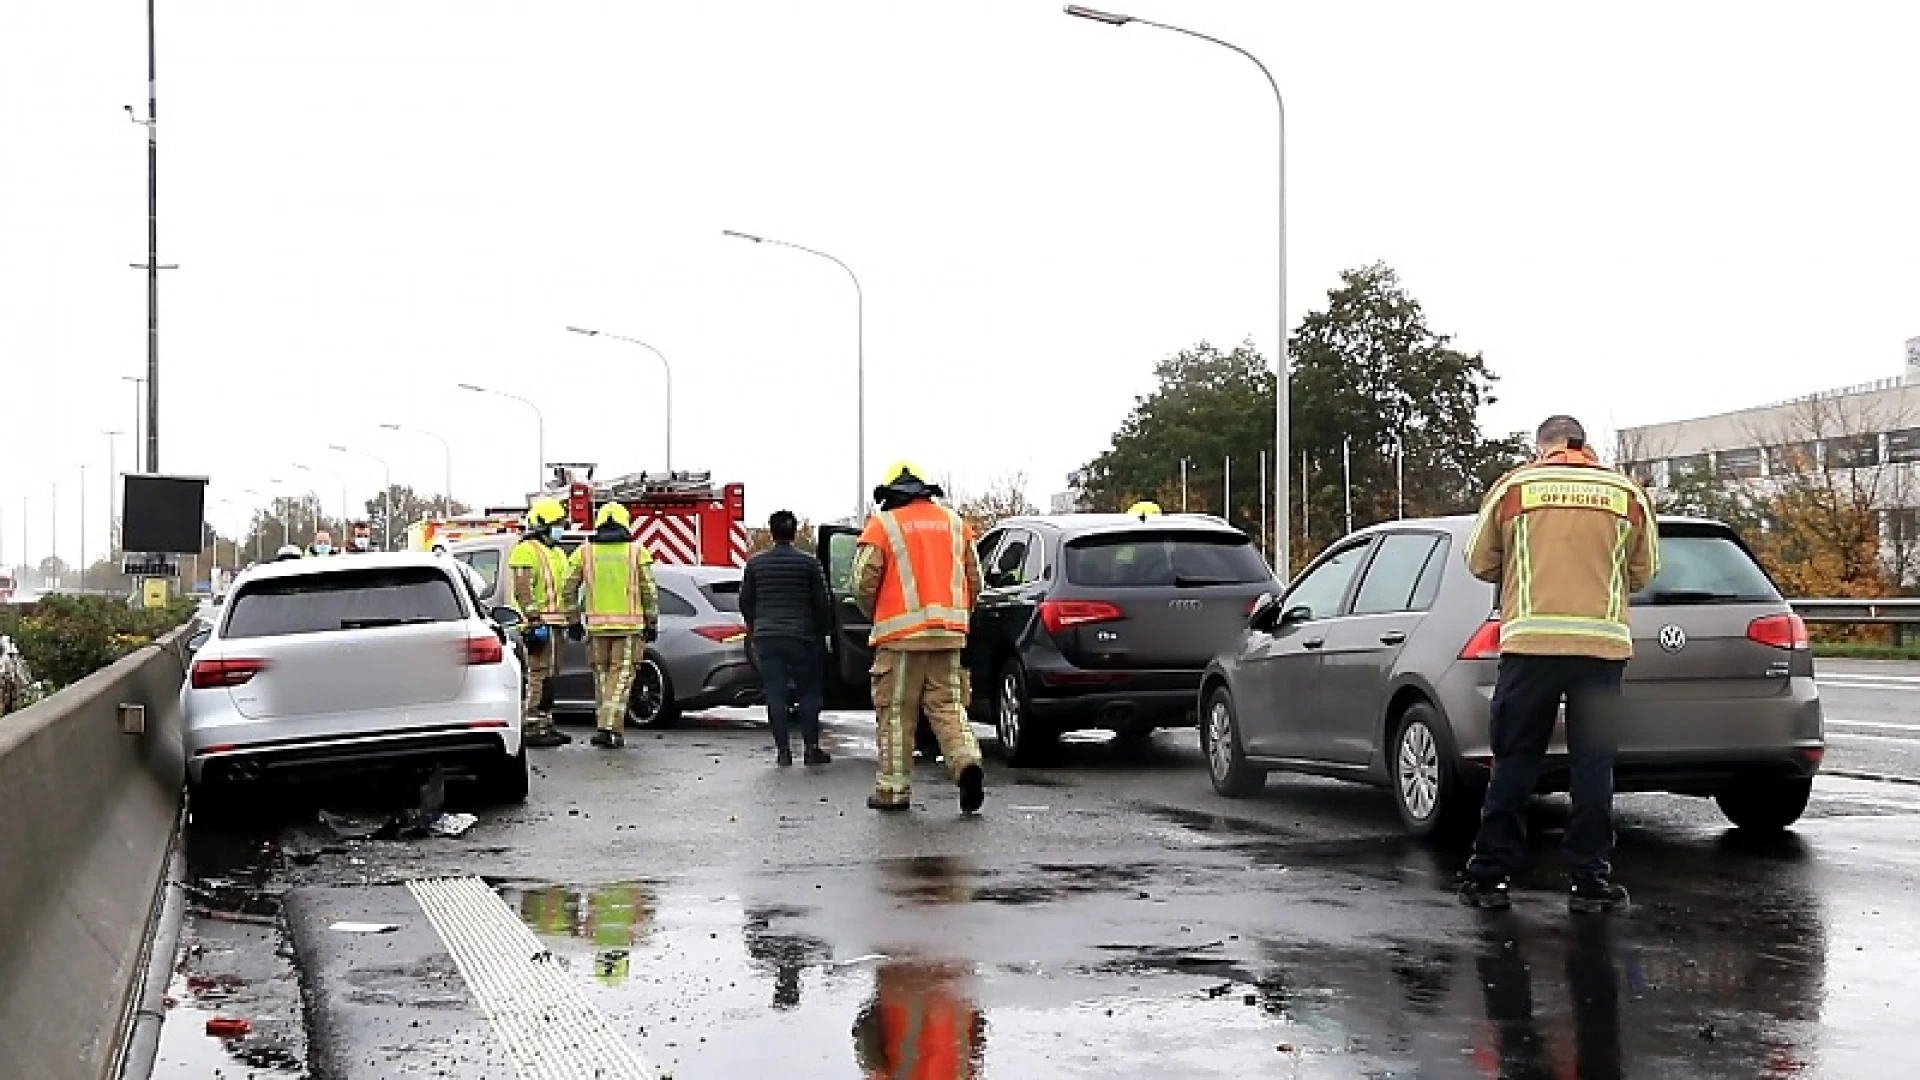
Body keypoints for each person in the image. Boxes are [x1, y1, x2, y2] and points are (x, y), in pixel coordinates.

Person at [1459, 415, 1660, 914]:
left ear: (1542, 445)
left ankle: (1489, 878)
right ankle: (1590, 882)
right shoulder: (1626, 494)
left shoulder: (1516, 486)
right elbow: (1644, 570)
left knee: (1515, 761)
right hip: (1602, 650)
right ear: (1583, 445)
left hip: (1530, 646)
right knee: (1594, 765)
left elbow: (1478, 561)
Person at [851, 462, 986, 814]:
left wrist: (877, 613)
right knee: (948, 708)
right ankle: (966, 763)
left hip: (900, 638)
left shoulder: (883, 526)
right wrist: (958, 615)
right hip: (949, 636)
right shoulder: (956, 524)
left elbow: (862, 582)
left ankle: (893, 791)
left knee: (896, 713)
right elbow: (976, 580)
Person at [740, 509, 834, 767]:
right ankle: (811, 749)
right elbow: (822, 603)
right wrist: (821, 632)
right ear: (794, 532)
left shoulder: (756, 564)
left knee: (775, 693)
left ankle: (783, 752)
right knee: (808, 692)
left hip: (767, 637)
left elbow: (745, 601)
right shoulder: (809, 563)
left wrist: (755, 626)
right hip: (802, 637)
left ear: (771, 533)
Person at [563, 502, 660, 750]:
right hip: (629, 629)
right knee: (620, 679)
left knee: (603, 678)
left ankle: (606, 727)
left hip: (596, 629)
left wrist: (573, 620)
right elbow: (649, 591)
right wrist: (651, 622)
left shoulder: (584, 553)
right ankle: (609, 728)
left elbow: (567, 589)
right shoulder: (637, 552)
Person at [510, 497, 573, 749]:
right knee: (538, 674)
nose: (560, 528)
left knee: (551, 674)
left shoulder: (557, 552)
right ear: (543, 525)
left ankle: (546, 721)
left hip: (557, 624)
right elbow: (522, 589)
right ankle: (532, 724)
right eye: (556, 524)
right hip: (538, 625)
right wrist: (534, 618)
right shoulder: (525, 550)